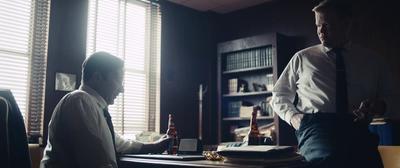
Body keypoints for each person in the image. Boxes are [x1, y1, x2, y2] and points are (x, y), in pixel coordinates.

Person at [270, 0, 393, 167]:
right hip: (317, 126)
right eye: (318, 25)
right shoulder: (302, 58)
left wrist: (379, 106)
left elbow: (393, 97)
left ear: (346, 24)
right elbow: (279, 95)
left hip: (358, 127)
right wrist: (294, 118)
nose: (321, 31)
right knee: (326, 161)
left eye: (327, 24)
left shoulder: (372, 61)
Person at [41, 52, 171, 168]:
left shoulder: (93, 106)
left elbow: (119, 144)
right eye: (119, 80)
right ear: (97, 77)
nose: (122, 89)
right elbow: (94, 160)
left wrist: (155, 146)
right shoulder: (80, 101)